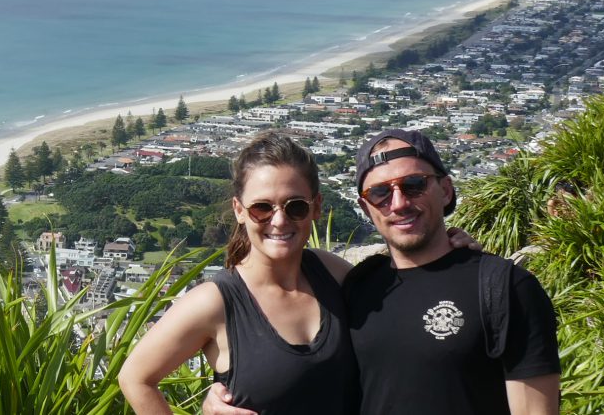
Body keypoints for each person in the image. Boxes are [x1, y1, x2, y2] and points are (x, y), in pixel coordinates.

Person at [206, 129, 561, 415]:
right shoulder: (358, 285)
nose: (399, 202)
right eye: (380, 193)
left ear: (445, 190)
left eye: (414, 184)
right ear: (366, 207)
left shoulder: (504, 287)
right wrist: (224, 396)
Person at [118, 131, 361, 414]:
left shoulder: (331, 272)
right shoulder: (215, 302)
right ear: (239, 210)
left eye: (295, 207)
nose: (279, 221)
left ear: (316, 206)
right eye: (262, 208)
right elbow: (135, 378)